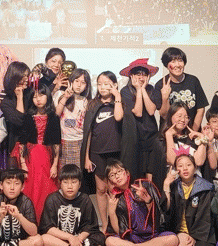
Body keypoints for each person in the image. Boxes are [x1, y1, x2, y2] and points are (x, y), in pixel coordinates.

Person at [81, 71, 124, 233]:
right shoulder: (92, 104)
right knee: (100, 189)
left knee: (115, 189)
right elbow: (88, 132)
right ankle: (104, 224)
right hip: (97, 153)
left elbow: (119, 117)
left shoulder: (119, 102)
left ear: (115, 85)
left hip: (115, 153)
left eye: (107, 84)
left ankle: (116, 223)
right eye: (100, 84)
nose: (103, 87)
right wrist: (86, 157)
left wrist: (117, 96)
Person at [104, 159, 178, 246]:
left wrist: (148, 201)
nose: (117, 176)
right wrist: (111, 212)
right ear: (110, 181)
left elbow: (160, 216)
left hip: (153, 236)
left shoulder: (145, 185)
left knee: (173, 239)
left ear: (127, 173)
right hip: (132, 238)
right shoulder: (116, 198)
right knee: (110, 241)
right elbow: (119, 232)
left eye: (119, 171)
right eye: (112, 175)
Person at [14, 84, 61, 220]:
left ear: (48, 96)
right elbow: (22, 142)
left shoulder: (53, 117)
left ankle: (45, 220)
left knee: (46, 187)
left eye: (41, 95)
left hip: (47, 157)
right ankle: (30, 219)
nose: (38, 99)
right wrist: (23, 163)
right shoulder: (28, 116)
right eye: (34, 97)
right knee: (31, 187)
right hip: (31, 156)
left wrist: (54, 165)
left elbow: (56, 143)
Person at [119, 59, 165, 187]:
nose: (141, 77)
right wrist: (138, 90)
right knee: (136, 175)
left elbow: (151, 110)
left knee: (151, 175)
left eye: (144, 74)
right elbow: (138, 112)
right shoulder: (125, 91)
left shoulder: (151, 89)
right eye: (138, 74)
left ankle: (151, 198)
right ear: (131, 76)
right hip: (134, 138)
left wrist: (143, 89)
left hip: (151, 137)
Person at [40, 164, 106, 246]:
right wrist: (70, 237)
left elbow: (90, 226)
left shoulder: (85, 199)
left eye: (74, 182)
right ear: (60, 183)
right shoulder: (52, 199)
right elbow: (47, 227)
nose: (70, 186)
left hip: (79, 237)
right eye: (65, 182)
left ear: (79, 184)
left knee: (100, 237)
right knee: (44, 238)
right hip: (60, 238)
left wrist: (78, 239)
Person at [161, 154, 216, 246]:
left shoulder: (205, 188)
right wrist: (166, 185)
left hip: (200, 235)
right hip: (177, 232)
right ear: (176, 169)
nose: (185, 168)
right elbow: (166, 211)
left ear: (195, 167)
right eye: (180, 166)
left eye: (188, 165)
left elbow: (204, 218)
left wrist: (194, 238)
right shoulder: (174, 186)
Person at [155, 48, 208, 132]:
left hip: (192, 131)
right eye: (173, 61)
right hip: (169, 133)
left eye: (180, 60)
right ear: (166, 65)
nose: (177, 65)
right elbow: (164, 115)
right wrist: (165, 98)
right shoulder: (160, 84)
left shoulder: (193, 80)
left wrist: (193, 131)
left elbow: (201, 108)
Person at [54, 68, 90, 170]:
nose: (79, 85)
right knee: (64, 173)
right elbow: (56, 114)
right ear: (71, 81)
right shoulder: (60, 94)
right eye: (76, 81)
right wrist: (66, 97)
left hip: (79, 141)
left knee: (76, 173)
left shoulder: (85, 101)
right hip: (64, 140)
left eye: (83, 82)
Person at [0, 61, 32, 168]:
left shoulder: (31, 94)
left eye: (28, 75)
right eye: (24, 76)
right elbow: (19, 121)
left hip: (33, 144)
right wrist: (19, 98)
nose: (27, 79)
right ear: (15, 77)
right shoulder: (6, 102)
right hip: (16, 145)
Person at [162, 103, 207, 168]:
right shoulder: (161, 139)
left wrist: (202, 137)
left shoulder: (193, 139)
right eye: (179, 116)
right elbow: (173, 161)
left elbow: (199, 162)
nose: (183, 120)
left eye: (186, 117)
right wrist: (169, 136)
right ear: (170, 117)